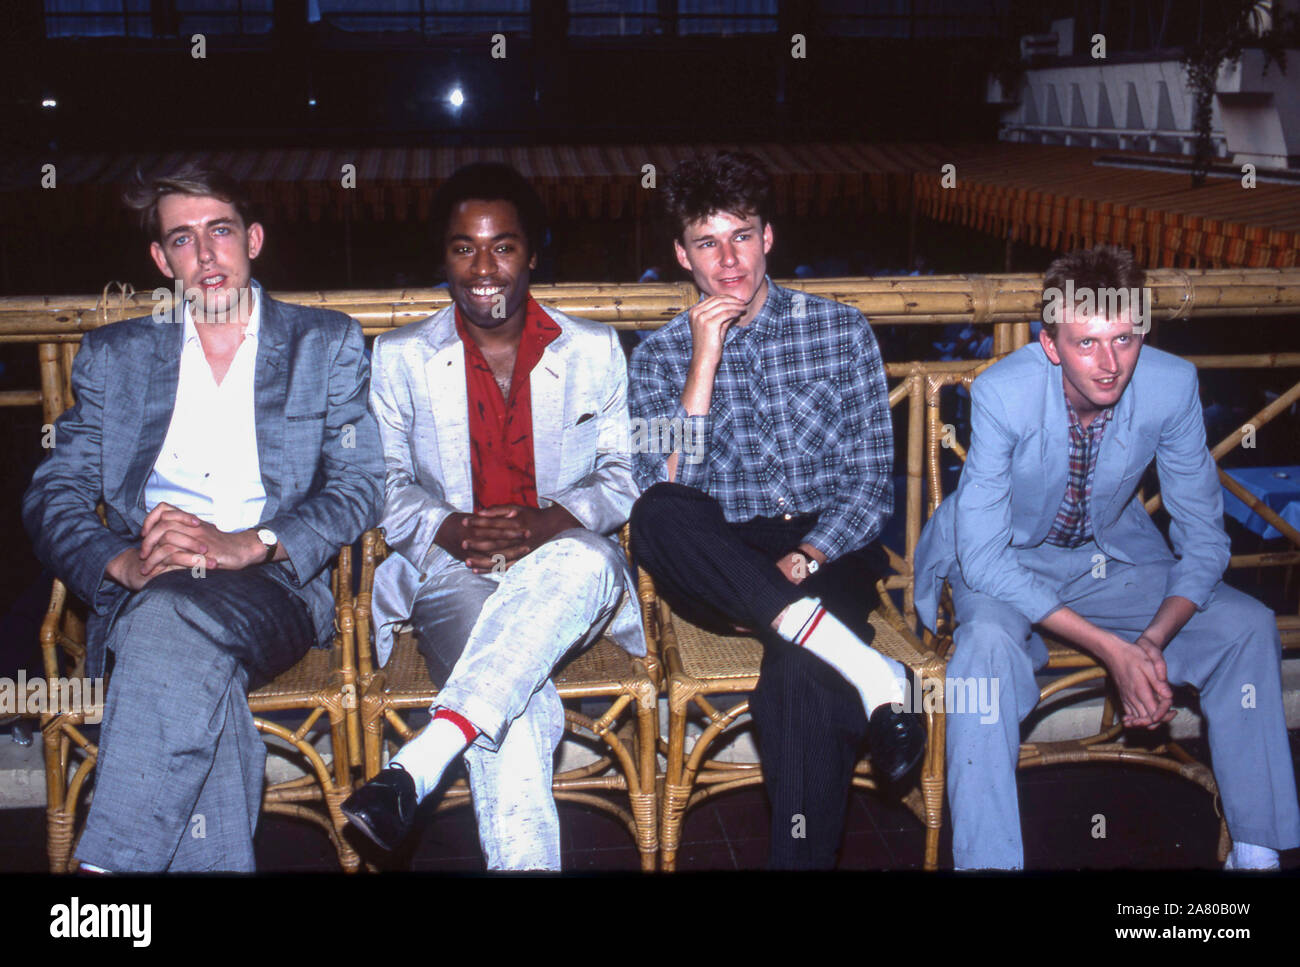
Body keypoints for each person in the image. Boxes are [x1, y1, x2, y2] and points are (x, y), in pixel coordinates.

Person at [22, 165, 384, 872]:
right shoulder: (115, 356)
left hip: (274, 587)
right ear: (162, 260)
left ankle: (108, 871)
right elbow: (51, 491)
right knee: (191, 676)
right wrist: (118, 561)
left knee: (165, 624)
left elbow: (360, 483)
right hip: (148, 583)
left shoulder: (325, 343)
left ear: (252, 239)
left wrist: (251, 545)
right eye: (183, 240)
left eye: (220, 231)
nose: (207, 255)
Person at [914, 244, 1300, 870]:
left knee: (1246, 625)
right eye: (1087, 343)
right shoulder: (1002, 395)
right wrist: (1115, 651)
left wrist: (1149, 642)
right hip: (1001, 557)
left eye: (1124, 339)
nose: (1110, 363)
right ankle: (989, 863)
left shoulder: (1171, 385)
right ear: (1050, 343)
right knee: (983, 655)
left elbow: (1204, 539)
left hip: (1107, 561)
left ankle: (1255, 854)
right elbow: (983, 562)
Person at [342, 163, 645, 870]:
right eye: (463, 247)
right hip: (456, 574)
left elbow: (624, 478)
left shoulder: (594, 351)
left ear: (532, 253)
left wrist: (545, 523)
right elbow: (379, 483)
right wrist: (449, 527)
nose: (484, 267)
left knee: (589, 555)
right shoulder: (400, 358)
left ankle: (425, 753)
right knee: (513, 706)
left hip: (567, 573)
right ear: (442, 257)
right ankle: (439, 750)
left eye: (503, 246)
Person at [627, 151, 922, 870]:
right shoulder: (658, 357)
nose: (728, 260)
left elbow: (868, 483)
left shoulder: (841, 330)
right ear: (681, 254)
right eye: (707, 241)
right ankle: (872, 671)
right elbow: (662, 488)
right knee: (656, 514)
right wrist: (704, 359)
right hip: (722, 555)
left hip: (824, 549)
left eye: (742, 236)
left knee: (798, 678)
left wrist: (812, 554)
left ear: (769, 238)